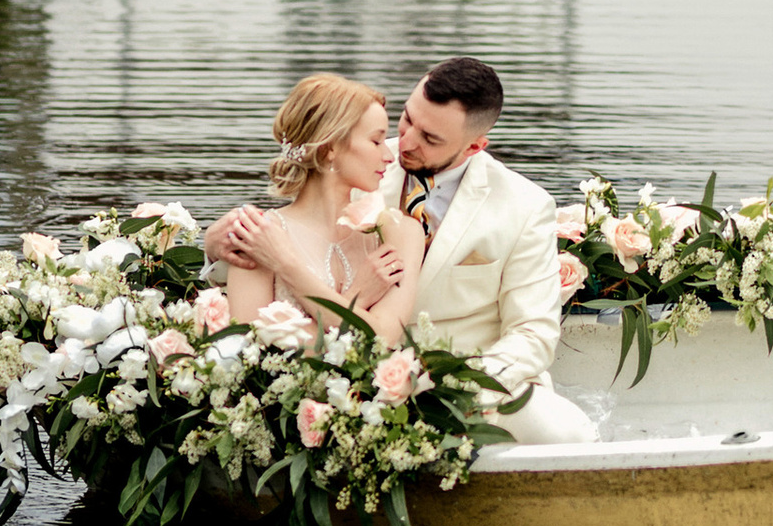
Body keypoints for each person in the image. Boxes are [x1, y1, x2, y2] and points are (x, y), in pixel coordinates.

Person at [209, 55, 587, 445]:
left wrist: (455, 387)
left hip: (470, 382)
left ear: (475, 145)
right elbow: (285, 234)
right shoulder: (357, 157)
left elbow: (533, 333)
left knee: (568, 433)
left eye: (430, 139)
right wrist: (213, 248)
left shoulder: (524, 205)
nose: (403, 144)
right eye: (407, 120)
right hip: (352, 379)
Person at [218, 72, 424, 342]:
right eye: (375, 141)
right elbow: (253, 348)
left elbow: (383, 339)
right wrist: (355, 299)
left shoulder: (400, 233)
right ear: (330, 147)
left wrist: (286, 265)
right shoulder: (259, 236)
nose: (388, 156)